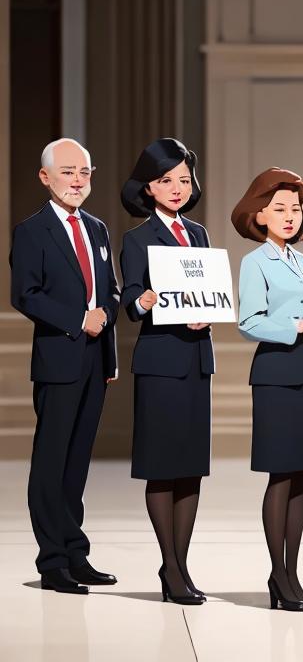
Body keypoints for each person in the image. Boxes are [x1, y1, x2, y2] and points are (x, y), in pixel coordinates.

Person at [10, 138, 120, 595]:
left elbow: (110, 292)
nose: (77, 180)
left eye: (85, 172)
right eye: (68, 171)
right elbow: (26, 295)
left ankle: (76, 552)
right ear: (45, 177)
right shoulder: (32, 231)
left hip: (94, 362)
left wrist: (106, 333)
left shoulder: (96, 228)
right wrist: (80, 320)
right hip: (59, 359)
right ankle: (52, 561)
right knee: (51, 462)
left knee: (77, 464)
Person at [119, 138, 214, 605]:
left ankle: (181, 563)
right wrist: (145, 300)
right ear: (148, 188)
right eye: (165, 180)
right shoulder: (137, 239)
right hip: (160, 360)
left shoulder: (199, 235)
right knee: (162, 466)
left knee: (191, 468)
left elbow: (208, 290)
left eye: (183, 179)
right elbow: (129, 300)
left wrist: (207, 310)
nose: (177, 188)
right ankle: (170, 567)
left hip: (196, 356)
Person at [232, 168, 303, 612]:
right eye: (279, 209)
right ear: (260, 215)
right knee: (280, 475)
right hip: (276, 373)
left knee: (301, 477)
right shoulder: (255, 262)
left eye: (295, 209)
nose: (289, 217)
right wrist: (297, 326)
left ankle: (293, 571)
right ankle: (278, 573)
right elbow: (248, 322)